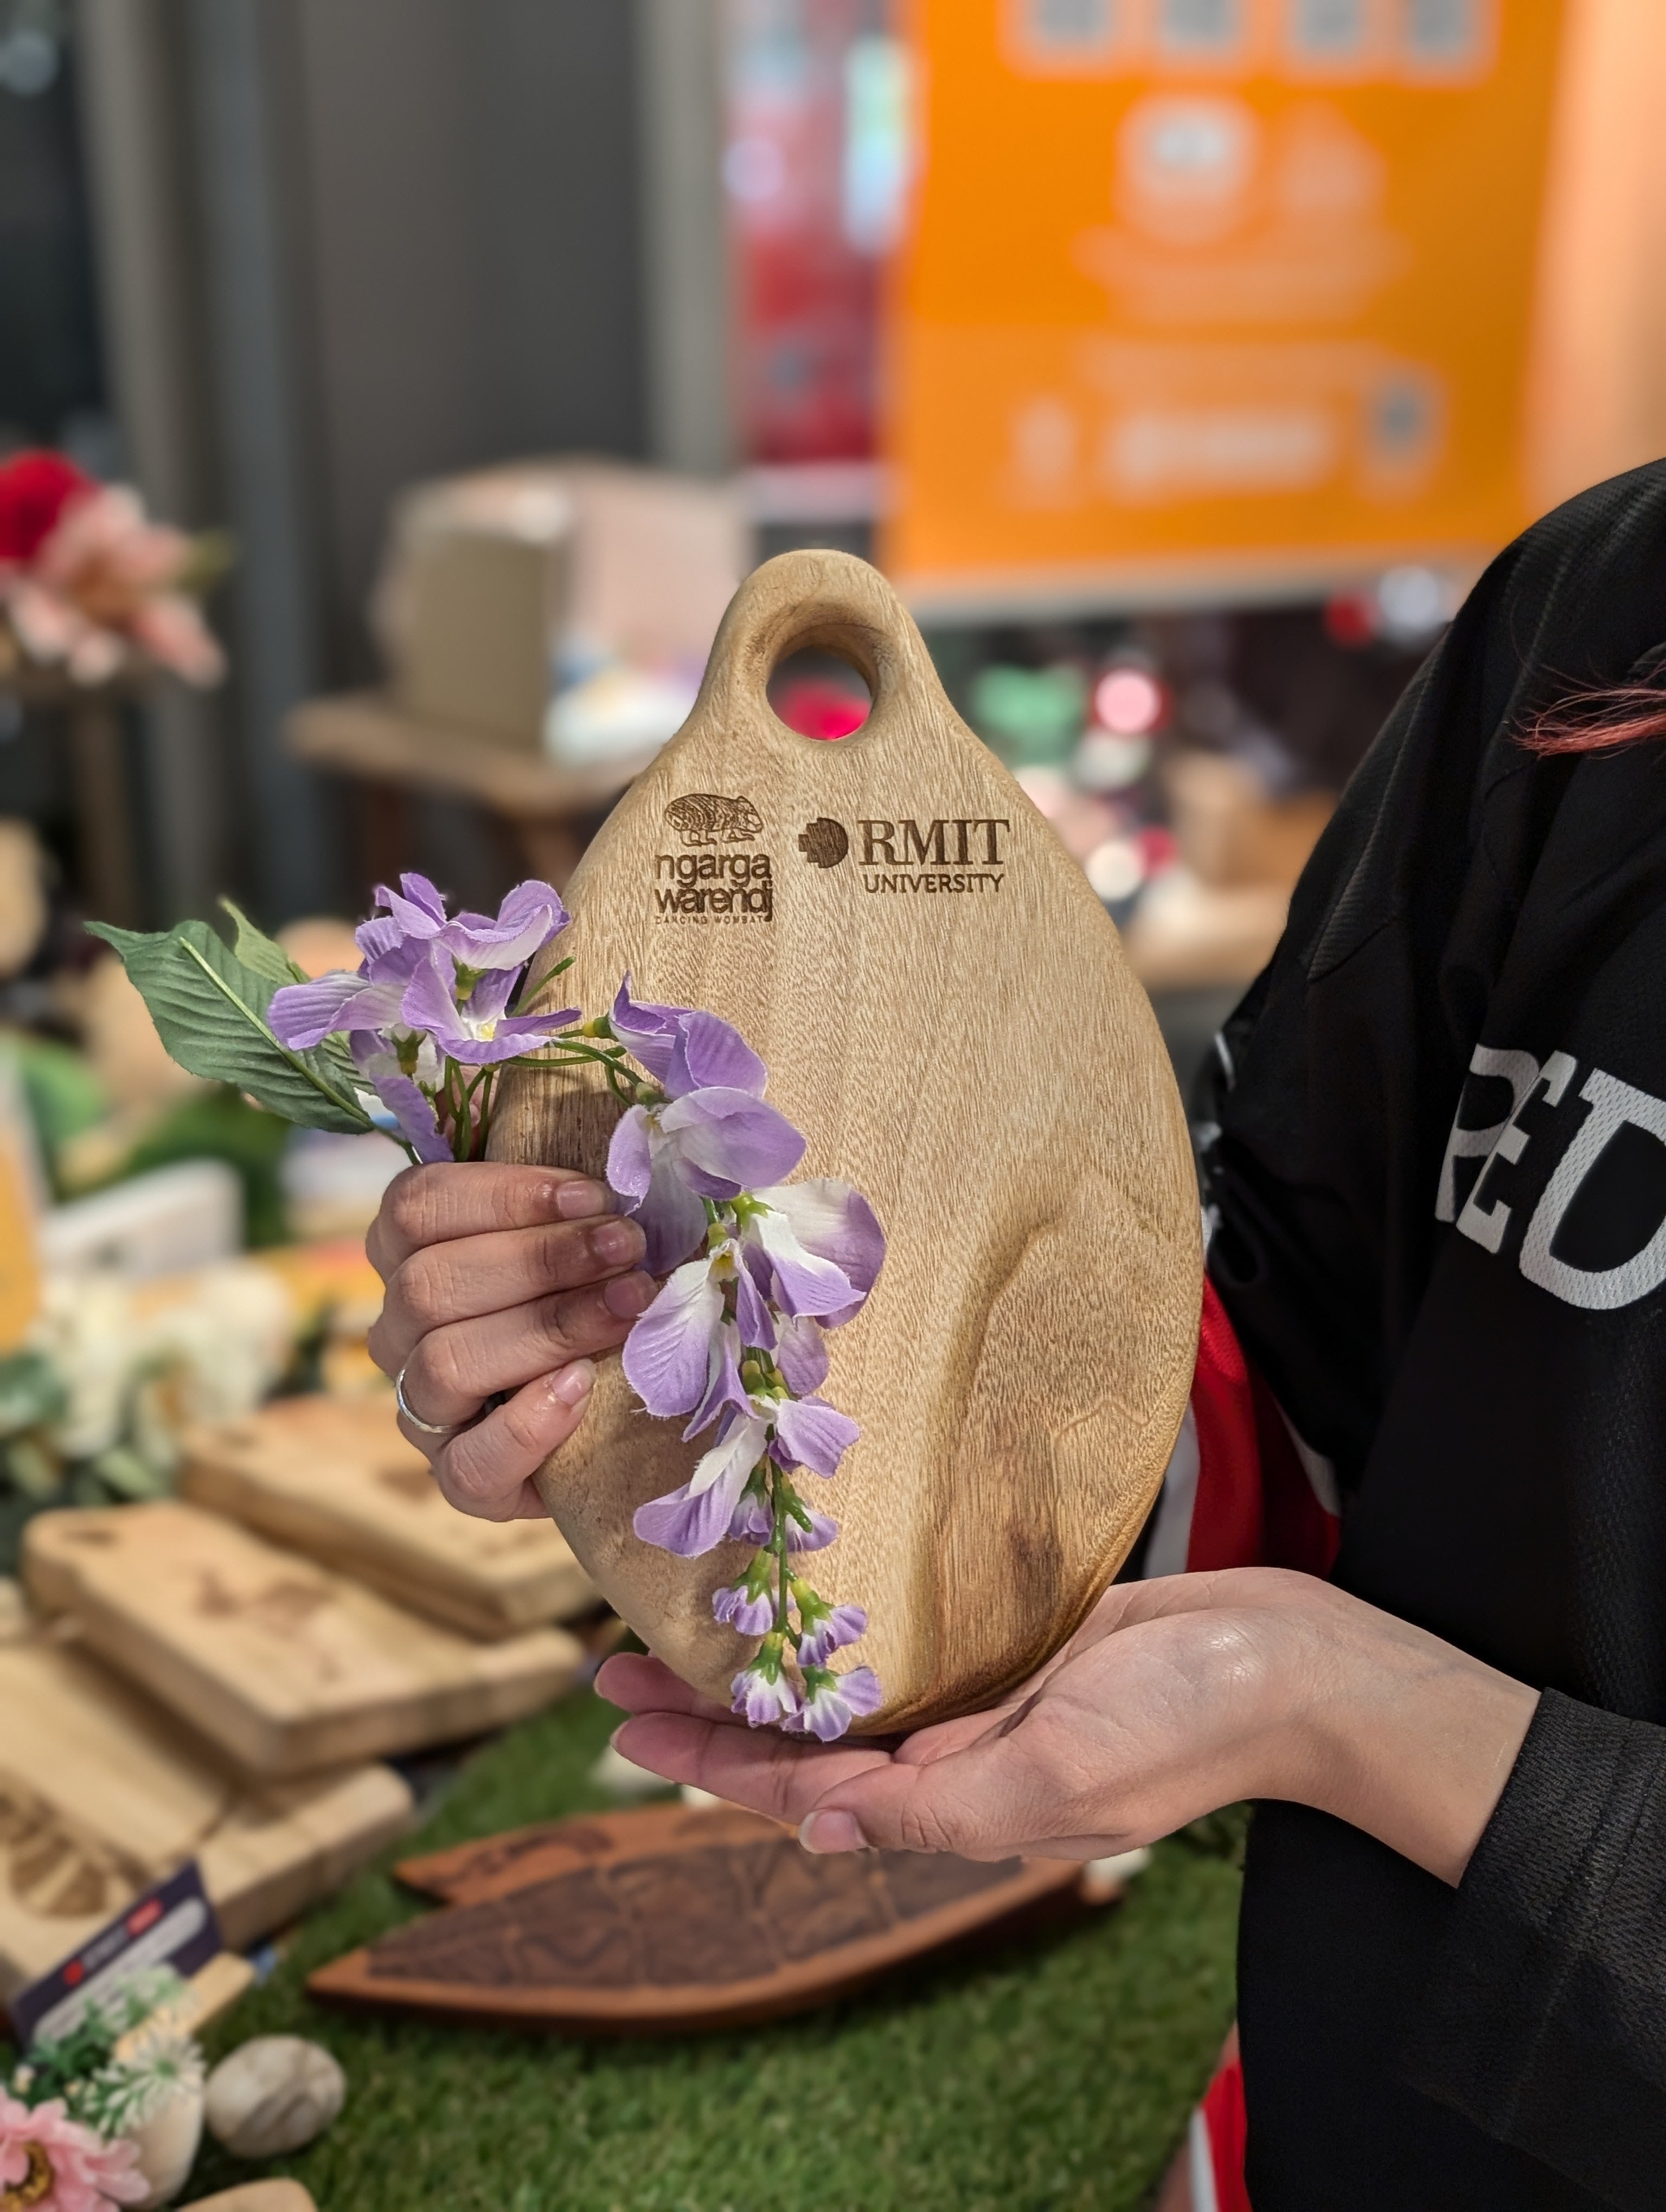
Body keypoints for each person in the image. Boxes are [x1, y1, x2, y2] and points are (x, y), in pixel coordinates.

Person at [366, 464, 1666, 2211]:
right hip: (1323, 2115)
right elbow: (1299, 1381)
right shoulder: (1606, 617)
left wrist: (1361, 1723)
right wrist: (737, 1410)